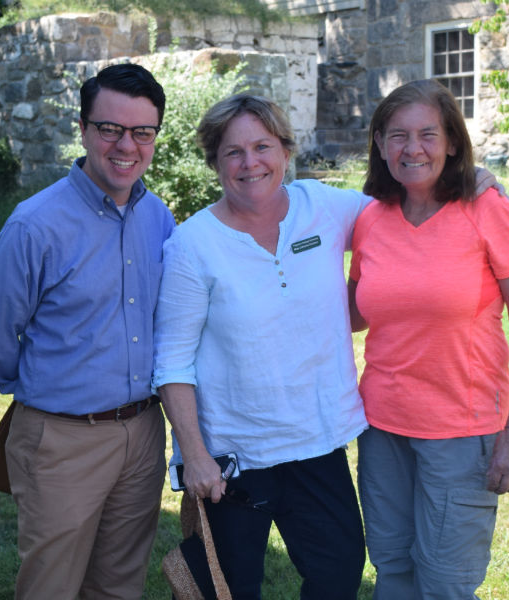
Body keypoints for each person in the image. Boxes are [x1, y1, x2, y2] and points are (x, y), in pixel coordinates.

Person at [0, 63, 175, 600]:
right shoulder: (35, 225)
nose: (126, 145)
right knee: (50, 588)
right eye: (111, 128)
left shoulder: (160, 219)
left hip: (144, 432)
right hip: (61, 439)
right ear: (83, 129)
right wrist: (46, 394)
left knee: (119, 587)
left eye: (142, 132)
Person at [152, 93, 370, 599]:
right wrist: (195, 455)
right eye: (233, 152)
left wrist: (472, 185)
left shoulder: (326, 208)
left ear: (286, 152)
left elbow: (408, 214)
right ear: (215, 163)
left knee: (338, 577)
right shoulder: (193, 244)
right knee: (229, 590)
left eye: (263, 146)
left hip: (318, 442)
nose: (250, 163)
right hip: (233, 461)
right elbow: (172, 363)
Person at [348, 79, 509, 600]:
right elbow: (351, 313)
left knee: (445, 584)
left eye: (427, 134)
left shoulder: (488, 210)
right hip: (381, 427)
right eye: (396, 135)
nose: (412, 148)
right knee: (391, 568)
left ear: (453, 142)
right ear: (380, 144)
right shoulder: (370, 218)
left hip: (462, 431)